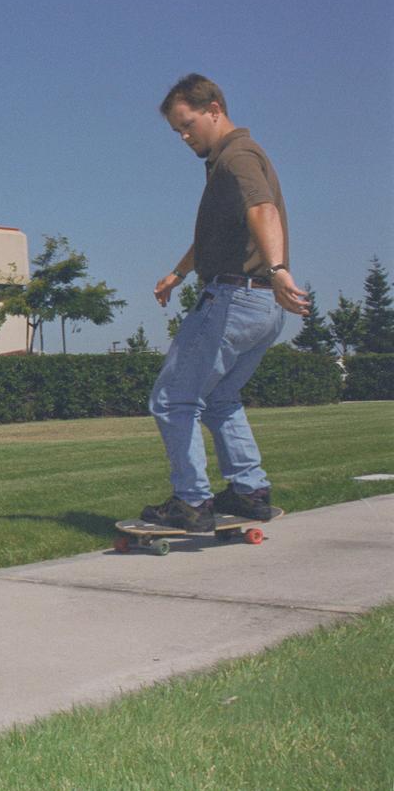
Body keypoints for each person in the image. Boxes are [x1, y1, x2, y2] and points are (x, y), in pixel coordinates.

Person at [144, 74, 310, 532]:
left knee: (172, 399)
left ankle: (192, 501)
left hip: (237, 297)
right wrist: (177, 274)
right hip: (262, 308)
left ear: (214, 109)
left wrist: (277, 270)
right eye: (177, 130)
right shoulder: (228, 160)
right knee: (220, 397)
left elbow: (263, 210)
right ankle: (249, 490)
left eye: (187, 124)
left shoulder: (236, 157)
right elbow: (217, 234)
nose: (183, 136)